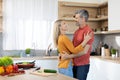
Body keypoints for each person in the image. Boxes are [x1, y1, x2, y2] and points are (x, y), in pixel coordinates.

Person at [61, 9, 94, 80]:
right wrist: (64, 54)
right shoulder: (76, 32)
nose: (75, 20)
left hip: (82, 65)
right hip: (73, 64)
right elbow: (73, 49)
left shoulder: (89, 32)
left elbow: (85, 51)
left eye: (77, 18)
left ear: (83, 18)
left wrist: (69, 56)